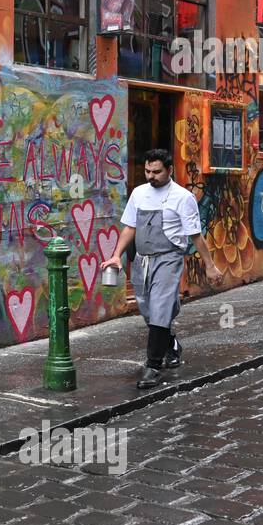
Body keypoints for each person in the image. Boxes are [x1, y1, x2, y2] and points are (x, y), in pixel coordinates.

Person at [102, 148, 223, 390]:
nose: (151, 176)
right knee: (149, 312)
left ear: (169, 170)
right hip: (142, 260)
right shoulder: (139, 193)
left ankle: (153, 366)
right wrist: (116, 256)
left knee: (160, 308)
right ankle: (172, 345)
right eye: (147, 171)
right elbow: (129, 228)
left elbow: (195, 235)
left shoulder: (183, 197)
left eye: (156, 172)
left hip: (168, 259)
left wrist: (210, 265)